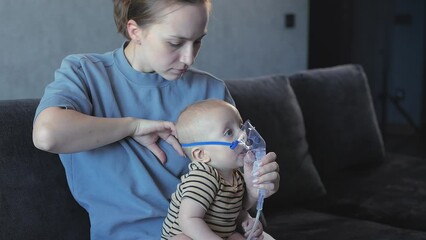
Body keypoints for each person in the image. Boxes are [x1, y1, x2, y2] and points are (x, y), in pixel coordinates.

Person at [32, 0, 280, 239]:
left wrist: (253, 188)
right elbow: (47, 135)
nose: (189, 58)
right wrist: (133, 127)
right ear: (135, 31)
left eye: (197, 42)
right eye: (175, 43)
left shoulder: (211, 91)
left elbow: (231, 201)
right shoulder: (85, 74)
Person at [161, 99, 264, 240]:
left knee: (238, 237)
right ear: (202, 155)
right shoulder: (202, 177)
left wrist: (247, 220)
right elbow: (188, 220)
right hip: (188, 234)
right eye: (229, 132)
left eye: (240, 126)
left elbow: (231, 210)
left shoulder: (237, 177)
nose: (243, 135)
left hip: (221, 233)